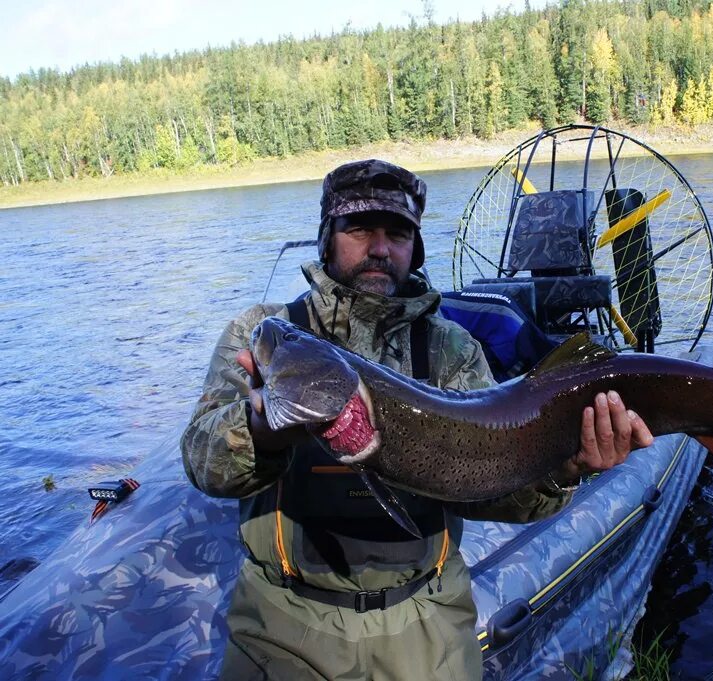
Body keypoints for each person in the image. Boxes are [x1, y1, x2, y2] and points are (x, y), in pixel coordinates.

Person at [180, 159, 654, 681]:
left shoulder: (451, 348)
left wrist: (567, 468)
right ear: (327, 239)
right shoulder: (266, 332)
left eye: (398, 233)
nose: (380, 248)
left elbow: (495, 491)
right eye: (359, 229)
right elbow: (203, 462)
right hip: (282, 626)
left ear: (415, 247)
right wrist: (260, 429)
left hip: (427, 626)